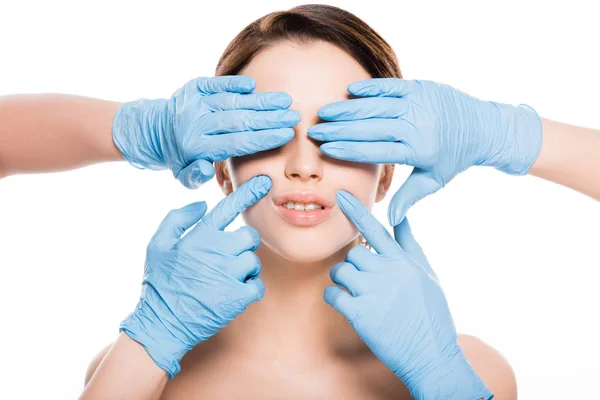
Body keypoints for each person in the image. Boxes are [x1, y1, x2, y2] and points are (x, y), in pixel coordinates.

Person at [81, 6, 517, 399]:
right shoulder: (134, 369)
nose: (304, 166)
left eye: (337, 135)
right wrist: (149, 345)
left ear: (385, 172)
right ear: (222, 170)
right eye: (272, 135)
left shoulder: (473, 373)